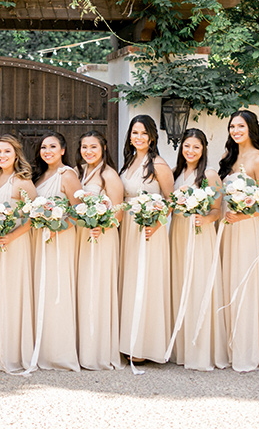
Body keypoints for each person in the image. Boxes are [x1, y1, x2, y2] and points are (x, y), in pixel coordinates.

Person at [218, 109, 259, 372]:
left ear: (251, 128)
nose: (236, 131)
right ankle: (228, 345)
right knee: (226, 281)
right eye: (232, 127)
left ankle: (248, 348)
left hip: (246, 228)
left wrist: (244, 216)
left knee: (244, 283)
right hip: (226, 227)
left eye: (241, 126)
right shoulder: (228, 156)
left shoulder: (258, 159)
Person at [169, 128, 229, 371]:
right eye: (186, 146)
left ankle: (202, 348)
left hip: (200, 234)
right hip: (179, 233)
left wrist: (206, 219)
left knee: (199, 285)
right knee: (180, 284)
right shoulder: (176, 174)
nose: (190, 151)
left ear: (203, 149)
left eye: (195, 146)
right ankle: (180, 348)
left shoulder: (210, 175)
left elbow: (217, 209)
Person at [118, 115, 173, 364]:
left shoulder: (158, 164)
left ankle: (145, 344)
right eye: (134, 133)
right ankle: (128, 341)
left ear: (152, 137)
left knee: (146, 281)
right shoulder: (128, 162)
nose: (138, 137)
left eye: (142, 133)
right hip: (128, 227)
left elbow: (170, 201)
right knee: (130, 281)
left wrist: (157, 223)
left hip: (149, 229)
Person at [0, 133, 37, 374]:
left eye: (7, 151)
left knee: (12, 294)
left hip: (14, 245)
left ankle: (13, 352)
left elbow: (35, 216)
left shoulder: (22, 181)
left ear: (16, 154)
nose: (2, 155)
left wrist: (11, 236)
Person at [30, 131, 83, 371]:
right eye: (43, 147)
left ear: (62, 150)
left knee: (56, 290)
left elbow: (78, 211)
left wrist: (57, 226)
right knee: (40, 289)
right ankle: (40, 346)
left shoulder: (67, 174)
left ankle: (58, 352)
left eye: (53, 146)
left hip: (59, 239)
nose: (47, 151)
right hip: (38, 240)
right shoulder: (40, 176)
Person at [73, 131, 123, 371]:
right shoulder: (80, 171)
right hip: (83, 236)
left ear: (103, 148)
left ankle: (99, 351)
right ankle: (83, 347)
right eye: (84, 147)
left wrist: (101, 226)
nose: (88, 151)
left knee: (98, 289)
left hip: (101, 237)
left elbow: (119, 211)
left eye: (93, 147)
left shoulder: (108, 175)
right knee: (84, 289)